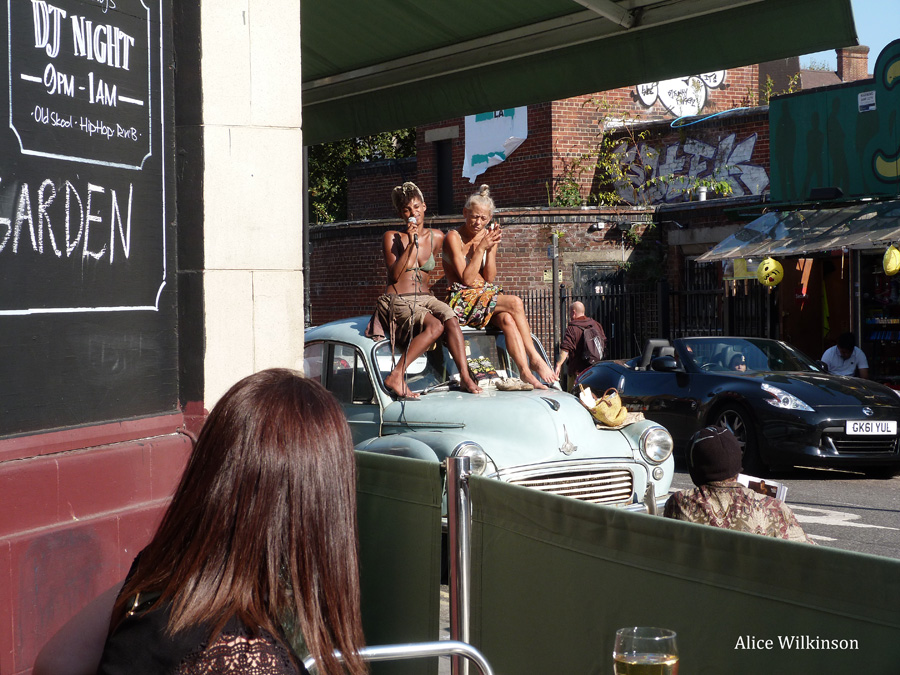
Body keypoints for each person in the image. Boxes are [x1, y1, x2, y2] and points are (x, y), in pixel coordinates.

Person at [35, 370, 368, 675]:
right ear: (320, 507)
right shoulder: (248, 659)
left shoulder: (161, 570)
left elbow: (56, 663)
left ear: (209, 473)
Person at [443, 184, 559, 390]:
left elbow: (489, 277)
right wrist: (481, 248)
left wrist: (492, 247)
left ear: (489, 219)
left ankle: (524, 370)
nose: (478, 223)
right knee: (515, 302)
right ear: (465, 213)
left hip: (482, 298)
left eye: (483, 219)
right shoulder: (454, 237)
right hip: (461, 300)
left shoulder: (488, 237)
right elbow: (467, 280)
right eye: (474, 216)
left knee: (507, 319)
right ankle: (535, 358)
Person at [374, 182, 481, 398]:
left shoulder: (437, 236)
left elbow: (458, 255)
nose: (413, 213)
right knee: (435, 326)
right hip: (400, 299)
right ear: (401, 214)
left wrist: (484, 243)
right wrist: (411, 244)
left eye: (416, 207)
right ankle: (397, 375)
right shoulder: (393, 237)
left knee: (451, 318)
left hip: (426, 297)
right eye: (407, 209)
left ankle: (465, 376)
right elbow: (394, 275)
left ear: (423, 206)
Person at [664, 425, 815, 544]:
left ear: (694, 467)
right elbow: (810, 553)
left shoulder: (680, 502)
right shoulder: (772, 507)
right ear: (737, 459)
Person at [554, 301, 607, 389]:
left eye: (570, 313)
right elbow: (604, 344)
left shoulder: (572, 328)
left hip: (577, 373)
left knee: (573, 398)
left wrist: (558, 364)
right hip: (594, 371)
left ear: (573, 312)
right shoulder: (596, 325)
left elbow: (566, 349)